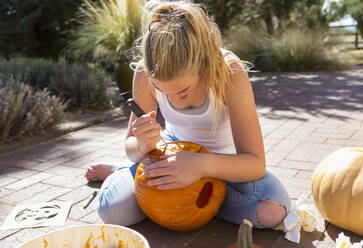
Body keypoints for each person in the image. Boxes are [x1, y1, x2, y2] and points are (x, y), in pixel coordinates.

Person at [85, 0, 291, 229]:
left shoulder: (229, 72)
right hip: (174, 151)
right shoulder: (145, 72)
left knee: (272, 211)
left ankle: (188, 198)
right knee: (112, 212)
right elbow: (131, 147)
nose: (171, 100)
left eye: (182, 91)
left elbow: (255, 165)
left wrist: (201, 166)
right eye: (162, 90)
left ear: (203, 63)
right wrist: (142, 145)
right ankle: (127, 175)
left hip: (225, 163)